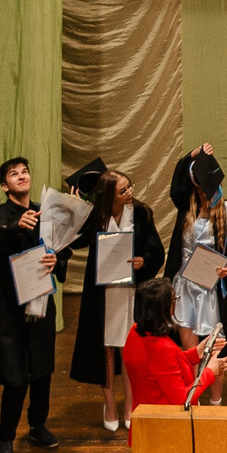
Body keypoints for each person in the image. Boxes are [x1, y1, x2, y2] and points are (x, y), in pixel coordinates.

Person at [61, 166, 161, 432]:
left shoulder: (140, 213)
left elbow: (155, 249)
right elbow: (72, 241)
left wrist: (144, 261)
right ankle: (109, 404)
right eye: (122, 190)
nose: (129, 192)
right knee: (105, 348)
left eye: (130, 186)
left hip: (129, 289)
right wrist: (76, 209)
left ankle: (130, 402)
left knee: (128, 347)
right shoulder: (96, 217)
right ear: (109, 195)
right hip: (102, 292)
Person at [0, 156, 59, 453]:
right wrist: (17, 224)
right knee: (16, 376)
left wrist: (57, 261)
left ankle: (37, 425)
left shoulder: (44, 209)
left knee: (42, 369)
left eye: (25, 171)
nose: (21, 176)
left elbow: (58, 246)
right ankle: (5, 438)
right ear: (5, 185)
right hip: (13, 306)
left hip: (41, 299)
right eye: (14, 174)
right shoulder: (2, 213)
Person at [165, 146, 227, 381]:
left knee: (213, 347)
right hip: (184, 285)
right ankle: (192, 395)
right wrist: (192, 155)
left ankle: (216, 401)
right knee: (188, 349)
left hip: (211, 287)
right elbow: (175, 187)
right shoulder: (186, 208)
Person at [119, 281, 227, 438]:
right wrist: (209, 372)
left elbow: (159, 369)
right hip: (166, 432)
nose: (176, 304)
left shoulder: (136, 332)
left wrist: (196, 353)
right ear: (164, 308)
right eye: (175, 300)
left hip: (148, 427)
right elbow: (182, 399)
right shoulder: (160, 348)